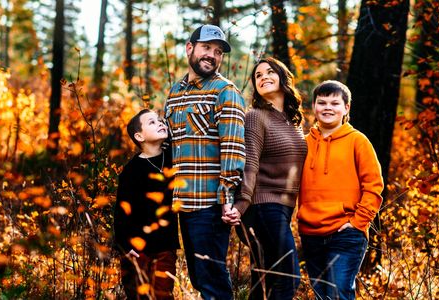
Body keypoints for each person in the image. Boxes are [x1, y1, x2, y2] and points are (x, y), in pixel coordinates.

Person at [164, 24, 245, 300]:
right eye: (206, 48)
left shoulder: (226, 91)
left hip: (209, 205)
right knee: (199, 278)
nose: (212, 55)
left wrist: (226, 198)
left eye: (218, 51)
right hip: (182, 203)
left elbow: (233, 150)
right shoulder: (174, 93)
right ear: (190, 48)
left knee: (212, 282)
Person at [223, 57, 307, 300]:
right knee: (288, 277)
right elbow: (250, 164)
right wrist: (241, 204)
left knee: (265, 282)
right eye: (258, 75)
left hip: (281, 209)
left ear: (283, 77)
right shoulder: (255, 116)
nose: (263, 77)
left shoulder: (293, 121)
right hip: (260, 207)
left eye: (269, 72)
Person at [298, 80, 384, 300]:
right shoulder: (303, 143)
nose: (328, 107)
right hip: (310, 234)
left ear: (346, 108)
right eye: (322, 102)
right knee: (321, 295)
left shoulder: (358, 141)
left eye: (335, 103)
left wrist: (357, 223)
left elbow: (374, 186)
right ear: (314, 107)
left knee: (338, 294)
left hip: (345, 232)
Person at [114, 109, 179, 300]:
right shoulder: (131, 171)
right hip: (137, 248)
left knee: (162, 294)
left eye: (160, 120)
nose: (160, 123)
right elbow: (121, 213)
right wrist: (126, 246)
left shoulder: (174, 156)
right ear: (139, 136)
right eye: (152, 122)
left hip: (165, 246)